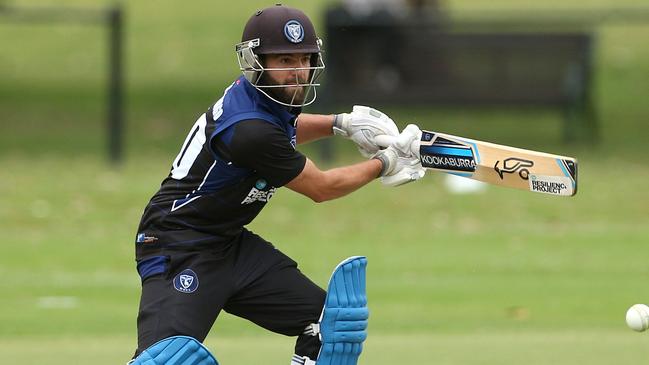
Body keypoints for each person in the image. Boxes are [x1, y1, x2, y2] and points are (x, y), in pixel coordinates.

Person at [129, 4, 425, 365]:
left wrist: (341, 123)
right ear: (256, 62)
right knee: (163, 361)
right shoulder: (250, 131)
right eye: (283, 60)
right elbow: (322, 187)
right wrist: (386, 162)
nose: (297, 72)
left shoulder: (261, 102)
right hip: (178, 247)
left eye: (304, 59)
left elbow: (284, 131)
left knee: (332, 326)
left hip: (229, 244)